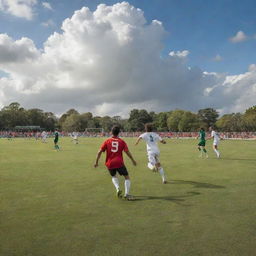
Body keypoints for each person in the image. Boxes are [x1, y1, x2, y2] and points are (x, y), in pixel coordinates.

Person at [94, 126, 137, 200]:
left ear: (111, 132)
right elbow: (127, 152)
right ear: (119, 133)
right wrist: (133, 160)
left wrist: (96, 162)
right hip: (119, 162)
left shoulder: (107, 141)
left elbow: (99, 152)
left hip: (110, 163)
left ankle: (117, 189)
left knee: (114, 176)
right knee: (127, 177)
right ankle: (127, 194)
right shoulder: (122, 141)